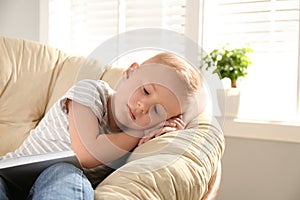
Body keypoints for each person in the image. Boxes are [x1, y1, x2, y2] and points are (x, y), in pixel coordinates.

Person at [0, 52, 203, 199]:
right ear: (130, 72)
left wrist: (179, 122)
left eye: (157, 111)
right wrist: (140, 130)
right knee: (65, 169)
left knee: (70, 177)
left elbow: (201, 106)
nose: (143, 107)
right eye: (146, 91)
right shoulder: (90, 92)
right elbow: (88, 155)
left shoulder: (142, 138)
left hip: (56, 180)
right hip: (7, 175)